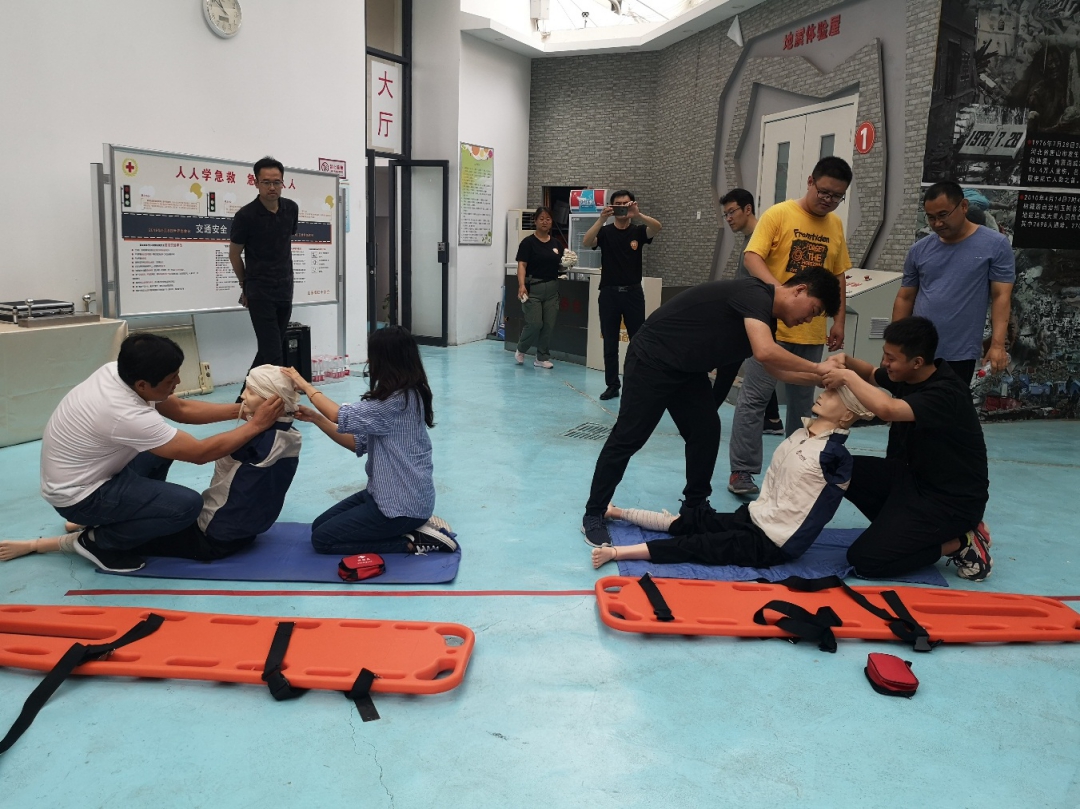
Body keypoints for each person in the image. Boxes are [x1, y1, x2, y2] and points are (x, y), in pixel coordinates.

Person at [581, 267, 844, 548]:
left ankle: (694, 509)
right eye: (813, 311)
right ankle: (594, 512)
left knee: (705, 431)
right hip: (652, 359)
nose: (808, 320)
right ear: (800, 290)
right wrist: (818, 367)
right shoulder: (756, 294)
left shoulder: (766, 318)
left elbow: (774, 369)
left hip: (687, 369)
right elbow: (765, 351)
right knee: (629, 436)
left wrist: (821, 379)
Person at [36, 333, 285, 572]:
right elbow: (199, 453)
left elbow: (181, 409)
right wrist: (256, 425)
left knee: (160, 450)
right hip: (79, 497)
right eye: (171, 380)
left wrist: (244, 410)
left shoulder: (119, 372)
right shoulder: (125, 413)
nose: (178, 383)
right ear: (143, 385)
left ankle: (115, 515)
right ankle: (99, 542)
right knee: (186, 506)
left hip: (84, 476)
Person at [591, 385, 874, 569]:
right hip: (754, 516)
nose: (824, 393)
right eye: (828, 389)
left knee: (698, 545)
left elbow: (824, 504)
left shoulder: (836, 457)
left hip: (773, 543)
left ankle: (617, 553)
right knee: (693, 521)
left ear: (847, 416)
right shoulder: (801, 434)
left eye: (834, 395)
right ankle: (616, 511)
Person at [821, 316, 993, 581]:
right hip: (913, 480)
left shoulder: (946, 393)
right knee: (839, 466)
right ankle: (902, 531)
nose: (884, 363)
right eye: (884, 354)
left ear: (917, 362)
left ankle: (961, 542)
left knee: (865, 561)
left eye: (891, 358)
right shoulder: (908, 376)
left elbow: (887, 409)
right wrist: (846, 361)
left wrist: (845, 376)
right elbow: (871, 374)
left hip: (950, 500)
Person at [728, 156, 853, 497]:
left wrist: (839, 320)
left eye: (837, 196)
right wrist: (778, 291)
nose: (828, 200)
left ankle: (794, 467)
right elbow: (751, 257)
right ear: (811, 181)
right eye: (824, 191)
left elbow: (838, 277)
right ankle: (742, 470)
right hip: (771, 327)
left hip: (811, 330)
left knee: (804, 405)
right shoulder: (779, 214)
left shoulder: (835, 226)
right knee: (754, 399)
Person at [283, 326, 455, 555]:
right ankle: (411, 527)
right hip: (384, 495)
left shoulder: (395, 402)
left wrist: (303, 383)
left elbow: (337, 415)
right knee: (319, 526)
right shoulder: (408, 393)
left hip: (400, 507)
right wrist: (316, 418)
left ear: (386, 360)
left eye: (372, 356)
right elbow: (356, 443)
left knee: (322, 540)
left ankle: (414, 541)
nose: (368, 361)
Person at [894, 181, 1016, 384]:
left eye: (943, 215)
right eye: (931, 218)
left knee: (949, 403)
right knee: (906, 403)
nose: (937, 224)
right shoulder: (919, 250)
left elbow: (1001, 296)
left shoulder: (995, 245)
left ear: (964, 206)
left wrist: (997, 345)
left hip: (959, 354)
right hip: (916, 350)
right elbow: (905, 297)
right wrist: (894, 344)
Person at [580, 190, 663, 401]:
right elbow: (586, 242)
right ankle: (612, 385)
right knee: (610, 342)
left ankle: (635, 383)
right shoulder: (605, 232)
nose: (622, 207)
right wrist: (601, 219)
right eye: (618, 204)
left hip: (633, 293)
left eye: (626, 203)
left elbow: (657, 227)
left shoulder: (638, 231)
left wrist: (638, 214)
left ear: (632, 204)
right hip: (609, 294)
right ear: (611, 206)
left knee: (637, 341)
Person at [713, 188, 783, 434]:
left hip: (755, 315)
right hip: (746, 314)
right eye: (726, 214)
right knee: (758, 367)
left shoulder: (763, 237)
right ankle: (772, 419)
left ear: (748, 209)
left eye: (732, 212)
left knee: (728, 364)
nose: (729, 218)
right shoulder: (749, 239)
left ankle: (706, 413)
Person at [230, 156, 300, 376]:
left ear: (283, 182)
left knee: (270, 348)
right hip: (259, 292)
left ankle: (245, 394)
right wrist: (245, 286)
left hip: (285, 289)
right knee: (274, 355)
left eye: (276, 182)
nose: (272, 187)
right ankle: (280, 397)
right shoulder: (245, 216)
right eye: (266, 182)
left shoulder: (291, 209)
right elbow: (234, 255)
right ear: (256, 183)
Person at [513, 206, 573, 369]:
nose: (545, 222)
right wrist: (521, 285)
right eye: (541, 219)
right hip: (533, 288)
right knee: (535, 324)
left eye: (548, 219)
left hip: (552, 289)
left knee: (548, 325)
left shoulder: (557, 244)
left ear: (551, 221)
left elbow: (561, 265)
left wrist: (569, 262)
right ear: (535, 221)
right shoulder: (528, 243)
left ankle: (542, 357)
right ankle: (521, 348)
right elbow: (522, 265)